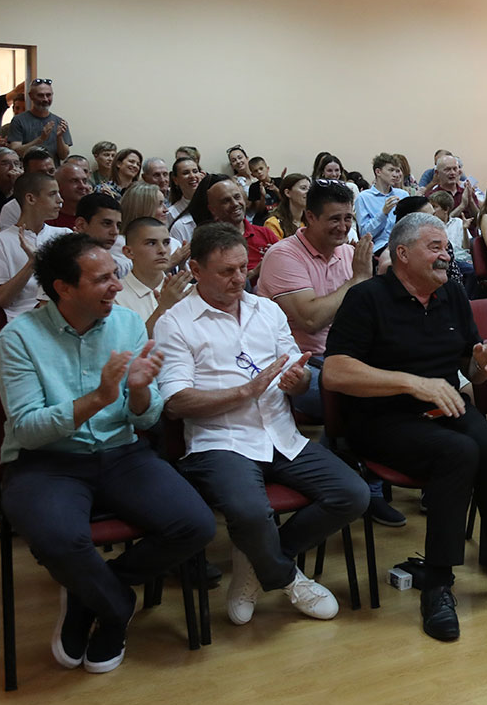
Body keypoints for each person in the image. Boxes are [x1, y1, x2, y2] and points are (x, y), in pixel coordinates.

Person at [323, 213, 487, 642]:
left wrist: (485, 363)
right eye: (434, 247)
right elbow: (335, 373)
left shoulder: (451, 293)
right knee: (459, 452)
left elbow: (469, 364)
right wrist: (411, 382)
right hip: (381, 419)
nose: (446, 255)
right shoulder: (366, 298)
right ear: (402, 254)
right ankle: (437, 584)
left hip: (443, 406)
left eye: (447, 248)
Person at [0, 232, 215, 674]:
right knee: (59, 540)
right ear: (63, 288)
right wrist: (99, 397)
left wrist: (139, 392)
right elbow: (28, 430)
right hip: (48, 461)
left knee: (195, 525)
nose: (117, 286)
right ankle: (115, 606)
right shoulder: (18, 337)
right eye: (102, 279)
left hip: (121, 452)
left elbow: (145, 417)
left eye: (116, 275)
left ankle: (90, 592)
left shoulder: (127, 324)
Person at [157, 223, 368, 626]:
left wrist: (298, 381)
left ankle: (256, 558)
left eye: (243, 268)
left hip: (280, 433)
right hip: (221, 441)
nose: (240, 278)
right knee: (251, 513)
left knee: (353, 494)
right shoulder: (176, 322)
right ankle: (286, 577)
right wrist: (245, 391)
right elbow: (175, 403)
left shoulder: (266, 310)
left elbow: (296, 376)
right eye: (227, 271)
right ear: (196, 270)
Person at [258, 180, 399, 524]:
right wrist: (357, 281)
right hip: (297, 366)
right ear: (309, 217)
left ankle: (355, 472)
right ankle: (363, 486)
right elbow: (310, 320)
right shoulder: (283, 255)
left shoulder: (349, 253)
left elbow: (372, 315)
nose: (343, 226)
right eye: (334, 219)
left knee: (400, 383)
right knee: (364, 398)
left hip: (344, 357)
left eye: (348, 218)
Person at [0, 172, 71, 321]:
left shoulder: (65, 235)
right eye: (52, 194)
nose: (60, 200)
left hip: (67, 311)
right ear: (31, 198)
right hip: (26, 318)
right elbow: (2, 300)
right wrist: (32, 264)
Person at [116, 217, 192, 336]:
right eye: (151, 243)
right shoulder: (115, 295)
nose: (162, 250)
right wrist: (164, 307)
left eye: (166, 243)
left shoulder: (187, 290)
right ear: (129, 252)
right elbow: (130, 344)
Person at [0, 156, 92, 230]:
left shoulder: (95, 213)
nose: (83, 186)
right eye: (74, 181)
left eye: (85, 181)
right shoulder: (39, 218)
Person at [6, 77, 72, 165]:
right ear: (31, 96)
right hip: (28, 172)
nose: (45, 99)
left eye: (48, 95)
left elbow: (63, 156)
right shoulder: (18, 120)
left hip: (52, 172)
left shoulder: (60, 122)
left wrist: (59, 138)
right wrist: (41, 139)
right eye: (40, 95)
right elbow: (16, 152)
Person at [356, 152, 408, 251]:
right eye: (391, 170)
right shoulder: (364, 197)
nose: (396, 175)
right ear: (378, 172)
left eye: (397, 171)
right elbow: (365, 234)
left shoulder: (402, 195)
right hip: (378, 247)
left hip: (402, 244)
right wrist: (383, 213)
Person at [72, 193, 132, 278]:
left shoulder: (120, 262)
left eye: (118, 226)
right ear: (81, 225)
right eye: (107, 223)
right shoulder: (63, 260)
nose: (115, 232)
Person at [426, 154, 481, 223]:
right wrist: (462, 206)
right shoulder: (432, 197)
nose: (452, 173)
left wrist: (471, 201)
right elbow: (440, 224)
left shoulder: (466, 192)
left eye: (455, 169)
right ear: (437, 173)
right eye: (447, 169)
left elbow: (479, 220)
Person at [265, 173, 309, 241]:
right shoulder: (274, 223)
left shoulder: (312, 221)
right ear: (288, 193)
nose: (308, 192)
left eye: (310, 189)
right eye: (303, 188)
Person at [167, 156, 204, 224]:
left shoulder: (213, 203)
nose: (192, 176)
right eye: (186, 173)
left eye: (195, 171)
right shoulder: (171, 214)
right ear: (175, 180)